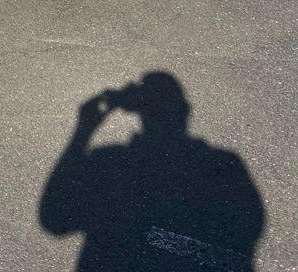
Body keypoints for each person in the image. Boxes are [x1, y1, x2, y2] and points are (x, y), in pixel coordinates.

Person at [39, 72, 264, 271]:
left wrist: (83, 133)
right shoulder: (221, 168)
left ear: (138, 111)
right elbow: (237, 247)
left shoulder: (110, 164)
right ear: (185, 111)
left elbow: (55, 218)